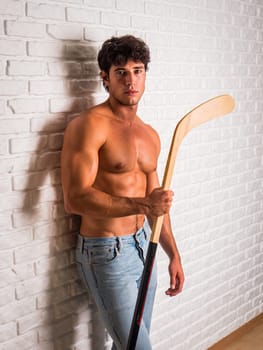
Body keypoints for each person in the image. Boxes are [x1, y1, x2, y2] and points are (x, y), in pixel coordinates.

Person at [61, 35, 184, 350]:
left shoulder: (149, 134)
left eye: (138, 70)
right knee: (137, 346)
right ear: (105, 77)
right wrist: (144, 203)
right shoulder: (89, 125)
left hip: (145, 245)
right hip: (106, 251)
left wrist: (174, 254)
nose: (131, 80)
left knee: (125, 345)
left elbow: (158, 204)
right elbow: (75, 199)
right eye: (121, 72)